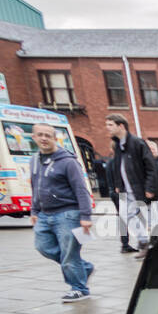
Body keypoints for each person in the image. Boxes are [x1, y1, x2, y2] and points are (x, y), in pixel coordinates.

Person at [29, 122, 95, 302]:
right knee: (43, 247)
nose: (43, 138)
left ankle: (79, 288)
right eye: (40, 135)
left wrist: (85, 215)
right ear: (33, 137)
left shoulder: (68, 161)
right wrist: (34, 210)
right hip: (44, 214)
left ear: (55, 138)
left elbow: (81, 189)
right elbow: (35, 186)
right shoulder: (34, 160)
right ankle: (83, 268)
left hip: (68, 213)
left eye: (47, 135)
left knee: (69, 253)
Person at [105, 112, 157, 254]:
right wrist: (118, 184)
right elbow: (118, 166)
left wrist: (150, 187)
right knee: (127, 217)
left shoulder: (137, 143)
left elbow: (150, 166)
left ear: (121, 126)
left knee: (147, 217)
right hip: (125, 190)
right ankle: (144, 242)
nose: (107, 128)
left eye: (110, 125)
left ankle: (154, 243)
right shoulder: (118, 145)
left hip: (138, 188)